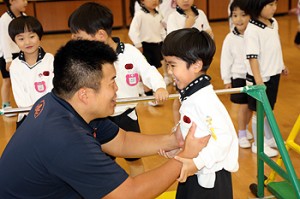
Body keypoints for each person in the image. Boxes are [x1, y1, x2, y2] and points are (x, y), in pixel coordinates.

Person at [0, 39, 210, 198]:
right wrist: (184, 157)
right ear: (85, 94)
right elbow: (129, 194)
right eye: (112, 82)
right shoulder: (65, 139)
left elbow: (122, 142)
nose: (117, 89)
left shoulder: (63, 102)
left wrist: (175, 140)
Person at [68, 2, 169, 177]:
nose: (75, 42)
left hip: (126, 116)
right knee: (101, 162)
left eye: (79, 38)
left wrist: (159, 87)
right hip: (99, 118)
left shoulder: (129, 52)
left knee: (134, 159)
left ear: (100, 35)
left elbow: (148, 71)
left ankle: (139, 191)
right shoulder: (86, 59)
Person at [160, 28, 239, 199]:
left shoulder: (205, 100)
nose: (169, 71)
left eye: (173, 65)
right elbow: (197, 127)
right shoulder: (192, 94)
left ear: (196, 65)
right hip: (195, 169)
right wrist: (180, 148)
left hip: (210, 178)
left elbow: (224, 138)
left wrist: (197, 162)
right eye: (167, 65)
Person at [244, 0, 289, 157]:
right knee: (259, 111)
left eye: (275, 4)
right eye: (270, 5)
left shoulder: (273, 23)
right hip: (260, 79)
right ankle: (258, 144)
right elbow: (252, 57)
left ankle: (269, 139)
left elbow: (275, 47)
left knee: (269, 109)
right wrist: (258, 81)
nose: (274, 8)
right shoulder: (252, 30)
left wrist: (281, 65)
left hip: (273, 75)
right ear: (258, 6)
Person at [8, 15, 54, 128]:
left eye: (32, 36)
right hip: (26, 118)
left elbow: (52, 88)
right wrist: (33, 111)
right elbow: (19, 94)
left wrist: (43, 108)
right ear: (15, 41)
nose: (27, 42)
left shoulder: (50, 59)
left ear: (39, 36)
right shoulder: (15, 65)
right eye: (21, 38)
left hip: (49, 115)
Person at [220, 0, 253, 149]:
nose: (238, 19)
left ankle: (245, 129)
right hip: (238, 76)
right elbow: (225, 60)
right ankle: (241, 133)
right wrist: (226, 79)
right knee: (244, 106)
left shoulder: (253, 34)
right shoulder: (230, 38)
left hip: (252, 75)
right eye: (235, 15)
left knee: (251, 106)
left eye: (243, 15)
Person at [128, 0, 171, 86]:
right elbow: (132, 31)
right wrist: (138, 45)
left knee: (155, 66)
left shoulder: (158, 13)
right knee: (144, 67)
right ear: (142, 1)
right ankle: (144, 89)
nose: (155, 1)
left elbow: (161, 29)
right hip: (145, 46)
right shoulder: (140, 14)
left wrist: (165, 40)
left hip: (157, 44)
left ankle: (154, 84)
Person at [0, 0, 27, 116]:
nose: (26, 2)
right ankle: (5, 106)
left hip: (21, 53)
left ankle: (25, 104)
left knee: (23, 79)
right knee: (7, 81)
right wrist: (8, 59)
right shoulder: (4, 19)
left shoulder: (24, 17)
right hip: (7, 55)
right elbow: (4, 41)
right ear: (11, 1)